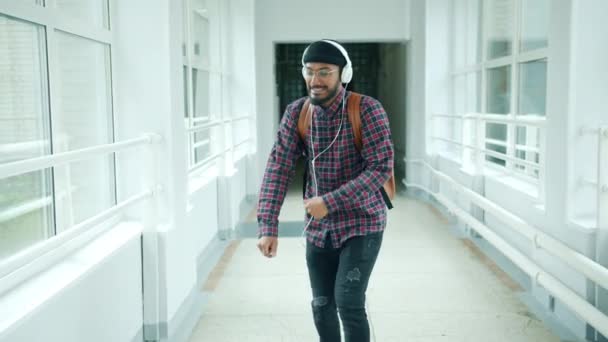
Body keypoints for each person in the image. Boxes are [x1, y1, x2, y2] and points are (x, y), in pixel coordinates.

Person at [256, 39, 394, 342]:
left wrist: (330, 202)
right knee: (321, 306)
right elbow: (278, 168)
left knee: (349, 303)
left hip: (363, 223)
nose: (315, 80)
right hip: (319, 228)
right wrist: (268, 225)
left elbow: (380, 169)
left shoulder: (367, 110)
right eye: (310, 71)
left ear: (343, 75)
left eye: (325, 72)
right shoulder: (297, 113)